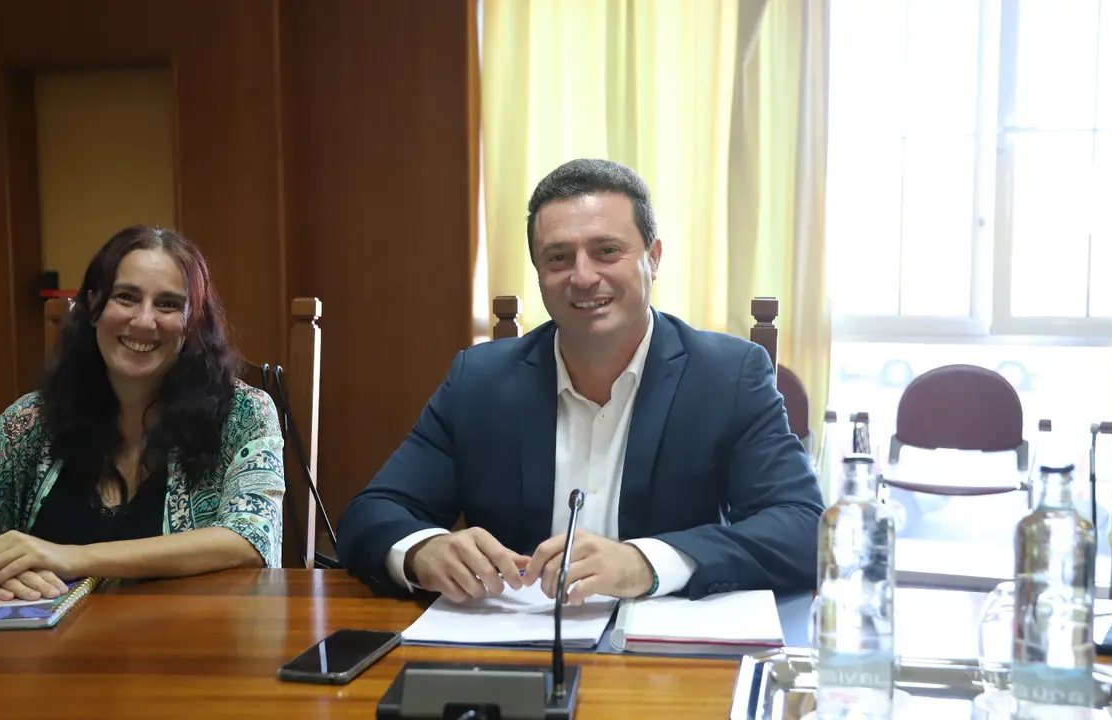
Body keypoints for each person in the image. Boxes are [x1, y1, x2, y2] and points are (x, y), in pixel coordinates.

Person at [337, 158, 823, 605]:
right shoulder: (479, 382)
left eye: (607, 251)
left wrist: (647, 563)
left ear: (652, 258)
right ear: (539, 272)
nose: (583, 277)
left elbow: (802, 528)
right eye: (558, 258)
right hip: (513, 661)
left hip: (670, 665)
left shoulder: (726, 376)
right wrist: (423, 549)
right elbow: (371, 513)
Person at [0, 226, 286, 602]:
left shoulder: (244, 412)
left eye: (168, 304)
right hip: (48, 655)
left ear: (193, 322)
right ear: (92, 306)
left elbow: (251, 540)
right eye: (126, 297)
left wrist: (71, 557)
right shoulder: (33, 419)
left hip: (185, 651)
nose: (143, 320)